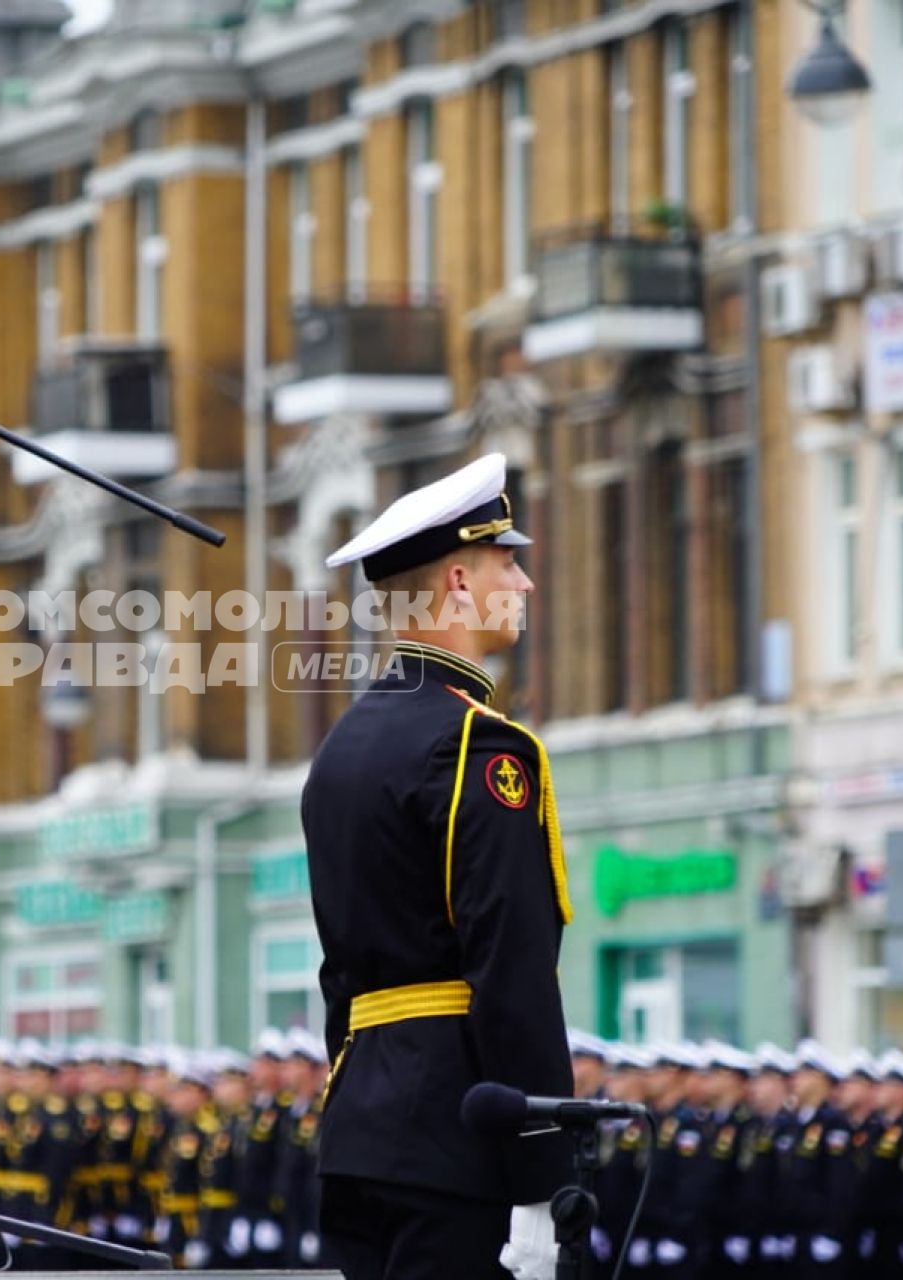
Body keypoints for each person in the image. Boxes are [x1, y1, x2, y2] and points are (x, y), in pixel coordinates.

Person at [303, 453, 574, 1280]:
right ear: (458, 581)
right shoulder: (481, 745)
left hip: (358, 1132)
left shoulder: (340, 749)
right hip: (458, 1143)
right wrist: (540, 1180)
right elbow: (512, 967)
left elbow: (339, 979)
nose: (524, 585)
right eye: (508, 563)